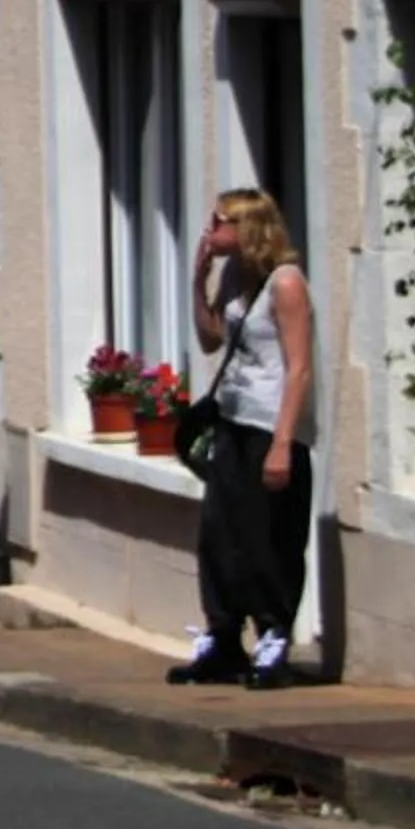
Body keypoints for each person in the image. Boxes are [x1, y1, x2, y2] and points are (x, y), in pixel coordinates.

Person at [169, 189, 315, 690]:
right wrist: (198, 280)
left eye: (220, 221)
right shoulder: (237, 276)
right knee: (220, 534)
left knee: (268, 538)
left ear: (248, 227)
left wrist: (283, 443)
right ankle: (224, 638)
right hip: (232, 418)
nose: (211, 229)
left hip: (270, 425)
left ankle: (273, 635)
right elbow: (212, 338)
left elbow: (299, 368)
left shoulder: (286, 283)